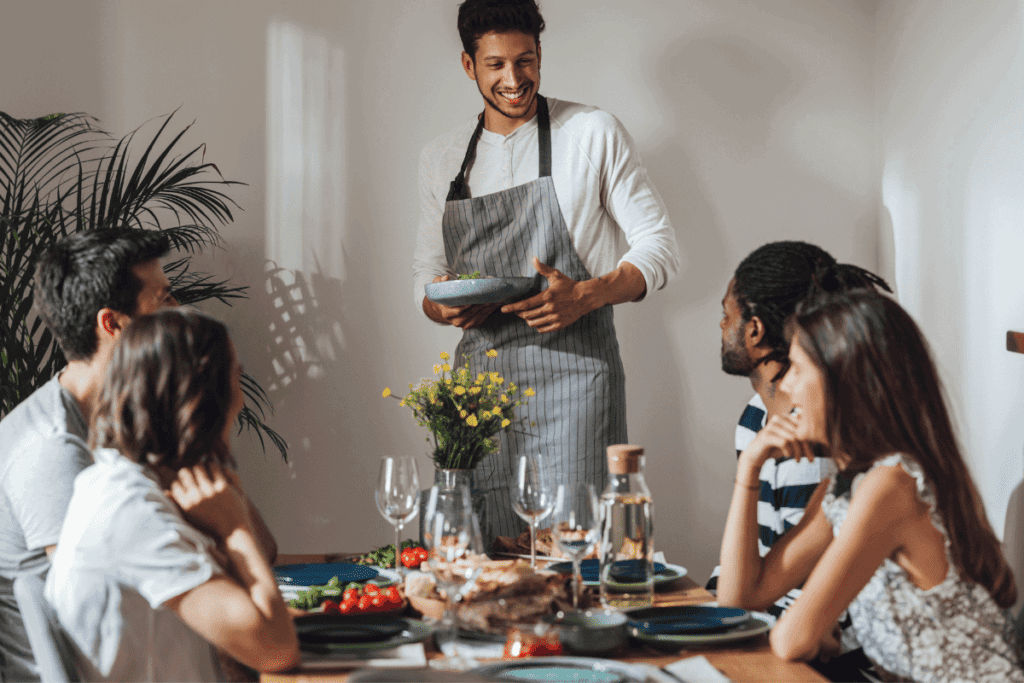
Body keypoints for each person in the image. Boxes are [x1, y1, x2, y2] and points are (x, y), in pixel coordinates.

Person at [413, 0, 680, 542]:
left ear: (539, 55)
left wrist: (586, 294)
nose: (514, 80)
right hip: (479, 390)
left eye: (525, 60)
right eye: (495, 65)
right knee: (485, 550)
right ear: (469, 65)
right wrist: (443, 305)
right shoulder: (442, 158)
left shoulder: (591, 131)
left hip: (577, 376)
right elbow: (428, 279)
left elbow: (660, 248)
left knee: (574, 551)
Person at [0, 228, 276, 681]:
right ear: (114, 324)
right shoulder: (53, 451)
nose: (181, 311)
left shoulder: (129, 426)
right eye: (165, 298)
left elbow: (247, 543)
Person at [717, 289, 1023, 682]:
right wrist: (751, 468)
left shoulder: (890, 485)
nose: (786, 385)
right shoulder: (846, 489)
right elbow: (739, 599)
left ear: (840, 380)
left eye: (796, 367)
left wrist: (812, 629)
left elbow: (791, 639)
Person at [45, 309, 300, 681]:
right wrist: (234, 528)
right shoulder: (133, 512)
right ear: (198, 401)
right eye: (235, 378)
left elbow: (264, 558)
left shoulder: (121, 483)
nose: (241, 399)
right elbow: (276, 650)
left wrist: (230, 511)